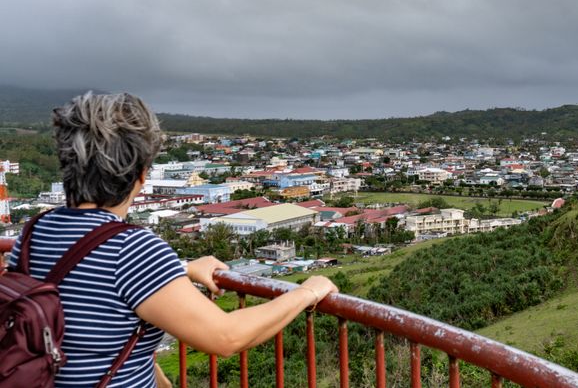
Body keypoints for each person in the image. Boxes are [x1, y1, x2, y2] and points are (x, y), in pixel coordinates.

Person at [5, 92, 338, 387]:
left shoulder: (35, 231)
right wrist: (306, 291)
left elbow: (91, 299)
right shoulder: (133, 250)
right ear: (141, 175)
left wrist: (181, 268)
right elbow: (226, 337)